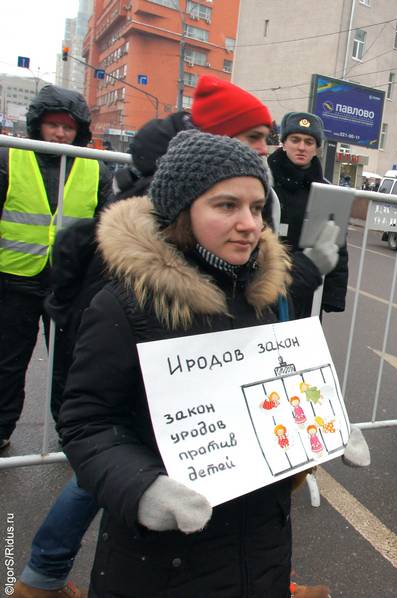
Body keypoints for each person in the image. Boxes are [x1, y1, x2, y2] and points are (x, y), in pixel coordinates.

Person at [58, 131, 295, 596]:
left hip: (262, 550)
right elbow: (87, 423)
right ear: (182, 211)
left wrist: (320, 428)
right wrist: (143, 488)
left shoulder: (261, 298)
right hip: (164, 562)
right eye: (227, 206)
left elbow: (270, 398)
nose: (250, 224)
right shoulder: (126, 305)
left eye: (257, 208)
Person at [0, 85, 112, 451]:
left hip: (69, 285)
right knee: (8, 361)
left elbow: (104, 225)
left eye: (68, 127)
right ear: (38, 125)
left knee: (70, 364)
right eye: (53, 125)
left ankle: (71, 432)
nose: (61, 134)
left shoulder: (96, 168)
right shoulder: (10, 158)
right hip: (14, 279)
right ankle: (1, 429)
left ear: (80, 130)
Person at [268, 111, 347, 317]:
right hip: (265, 284)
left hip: (309, 292)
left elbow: (337, 244)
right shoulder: (265, 183)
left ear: (316, 148)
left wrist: (333, 295)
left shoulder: (327, 190)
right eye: (295, 139)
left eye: (309, 142)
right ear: (283, 142)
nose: (302, 147)